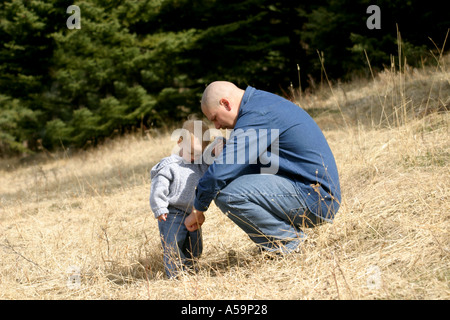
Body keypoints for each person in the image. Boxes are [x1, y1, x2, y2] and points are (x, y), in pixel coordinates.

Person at [185, 81, 341, 254]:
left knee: (226, 194)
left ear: (226, 103)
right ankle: (284, 240)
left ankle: (290, 245)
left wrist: (197, 209)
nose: (217, 126)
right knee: (231, 181)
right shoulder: (259, 104)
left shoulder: (257, 114)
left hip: (317, 198)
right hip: (311, 189)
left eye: (215, 118)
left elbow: (218, 175)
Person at [150, 117, 224, 278]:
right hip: (171, 212)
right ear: (179, 142)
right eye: (191, 152)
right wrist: (159, 207)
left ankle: (191, 270)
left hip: (192, 212)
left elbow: (215, 169)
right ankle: (176, 275)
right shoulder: (169, 165)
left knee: (194, 246)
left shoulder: (200, 163)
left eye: (198, 154)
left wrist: (218, 147)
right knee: (174, 244)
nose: (193, 157)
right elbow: (158, 187)